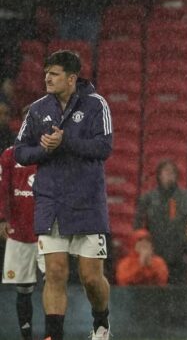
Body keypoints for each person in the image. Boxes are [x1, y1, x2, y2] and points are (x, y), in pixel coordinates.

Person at [14, 50, 113, 340]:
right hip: (51, 201)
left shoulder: (96, 105)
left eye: (54, 74)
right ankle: (53, 336)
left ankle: (101, 322)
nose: (47, 78)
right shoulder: (37, 109)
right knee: (55, 272)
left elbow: (104, 148)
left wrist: (65, 140)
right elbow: (20, 151)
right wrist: (43, 149)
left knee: (91, 278)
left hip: (87, 203)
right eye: (46, 72)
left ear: (71, 78)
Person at [0, 145, 41, 340]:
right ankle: (26, 336)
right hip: (20, 229)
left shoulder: (53, 150)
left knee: (54, 283)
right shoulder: (10, 154)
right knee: (23, 287)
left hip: (49, 230)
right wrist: (2, 217)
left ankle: (53, 335)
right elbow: (3, 187)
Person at [134, 159, 187, 284]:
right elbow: (139, 227)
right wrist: (144, 249)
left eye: (172, 172)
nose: (169, 175)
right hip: (154, 257)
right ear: (159, 175)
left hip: (180, 259)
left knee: (178, 292)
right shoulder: (148, 199)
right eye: (166, 172)